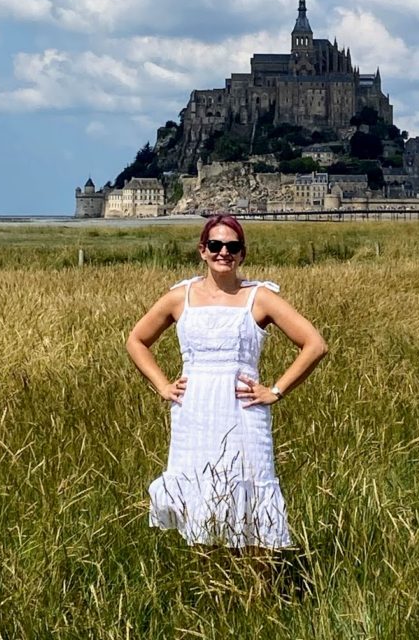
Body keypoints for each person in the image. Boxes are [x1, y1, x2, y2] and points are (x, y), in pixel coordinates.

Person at [126, 214, 328, 549]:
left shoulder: (260, 297)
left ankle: (258, 589)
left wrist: (275, 390)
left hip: (243, 412)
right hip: (194, 413)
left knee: (249, 492)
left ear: (242, 253)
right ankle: (211, 585)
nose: (224, 252)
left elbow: (315, 345)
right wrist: (162, 385)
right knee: (201, 496)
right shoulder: (181, 297)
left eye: (232, 246)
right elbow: (136, 340)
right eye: (216, 245)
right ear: (202, 250)